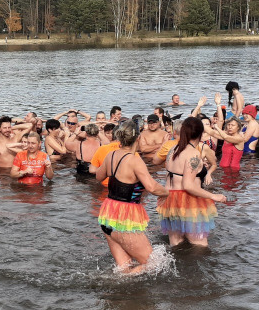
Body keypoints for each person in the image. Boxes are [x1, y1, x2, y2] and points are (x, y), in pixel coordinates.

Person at [94, 121, 169, 274]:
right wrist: (167, 193)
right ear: (138, 138)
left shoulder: (111, 155)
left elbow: (98, 176)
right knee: (155, 263)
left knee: (124, 267)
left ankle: (117, 292)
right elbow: (152, 187)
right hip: (125, 218)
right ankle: (113, 284)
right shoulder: (135, 160)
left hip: (108, 214)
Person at [158, 117, 225, 247]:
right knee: (200, 244)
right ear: (200, 133)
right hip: (188, 201)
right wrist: (213, 196)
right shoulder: (193, 154)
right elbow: (188, 185)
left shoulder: (173, 150)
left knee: (176, 243)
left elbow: (169, 174)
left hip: (170, 200)